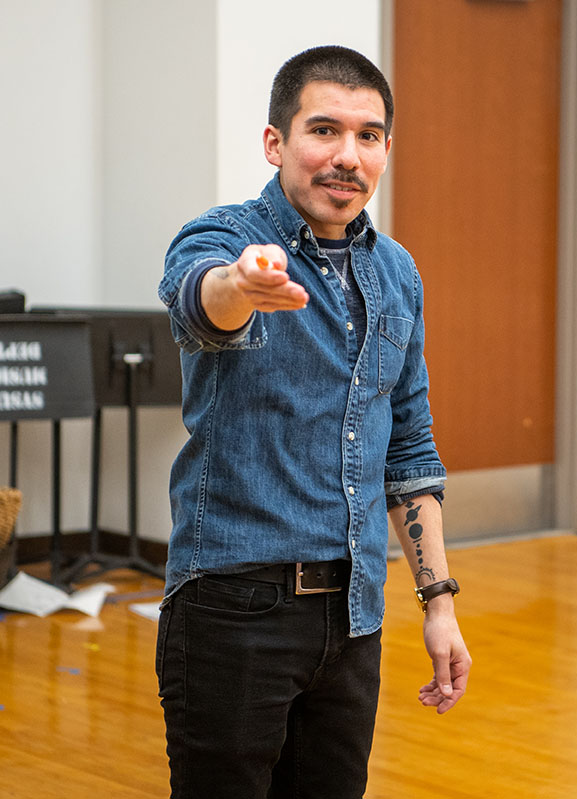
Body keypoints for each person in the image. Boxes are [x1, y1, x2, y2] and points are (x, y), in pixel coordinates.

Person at [156, 45, 470, 798]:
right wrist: (241, 284)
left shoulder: (397, 271)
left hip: (355, 614)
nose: (346, 156)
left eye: (368, 136)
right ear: (276, 142)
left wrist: (440, 603)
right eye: (323, 130)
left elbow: (410, 446)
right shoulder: (226, 238)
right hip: (233, 606)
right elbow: (200, 302)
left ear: (387, 150)